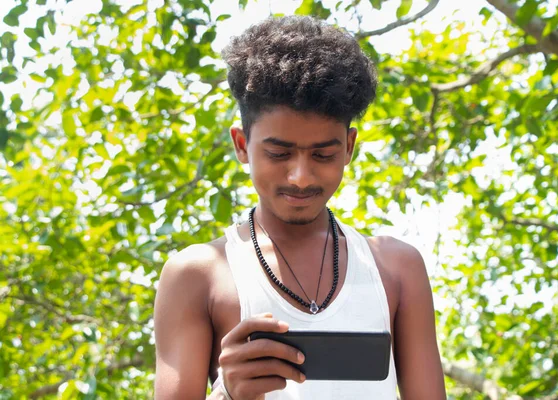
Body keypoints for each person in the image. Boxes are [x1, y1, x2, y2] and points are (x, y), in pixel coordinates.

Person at [153, 15, 446, 400]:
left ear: (349, 147)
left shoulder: (397, 269)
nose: (301, 177)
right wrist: (229, 393)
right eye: (279, 153)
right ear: (242, 145)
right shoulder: (197, 276)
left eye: (323, 154)